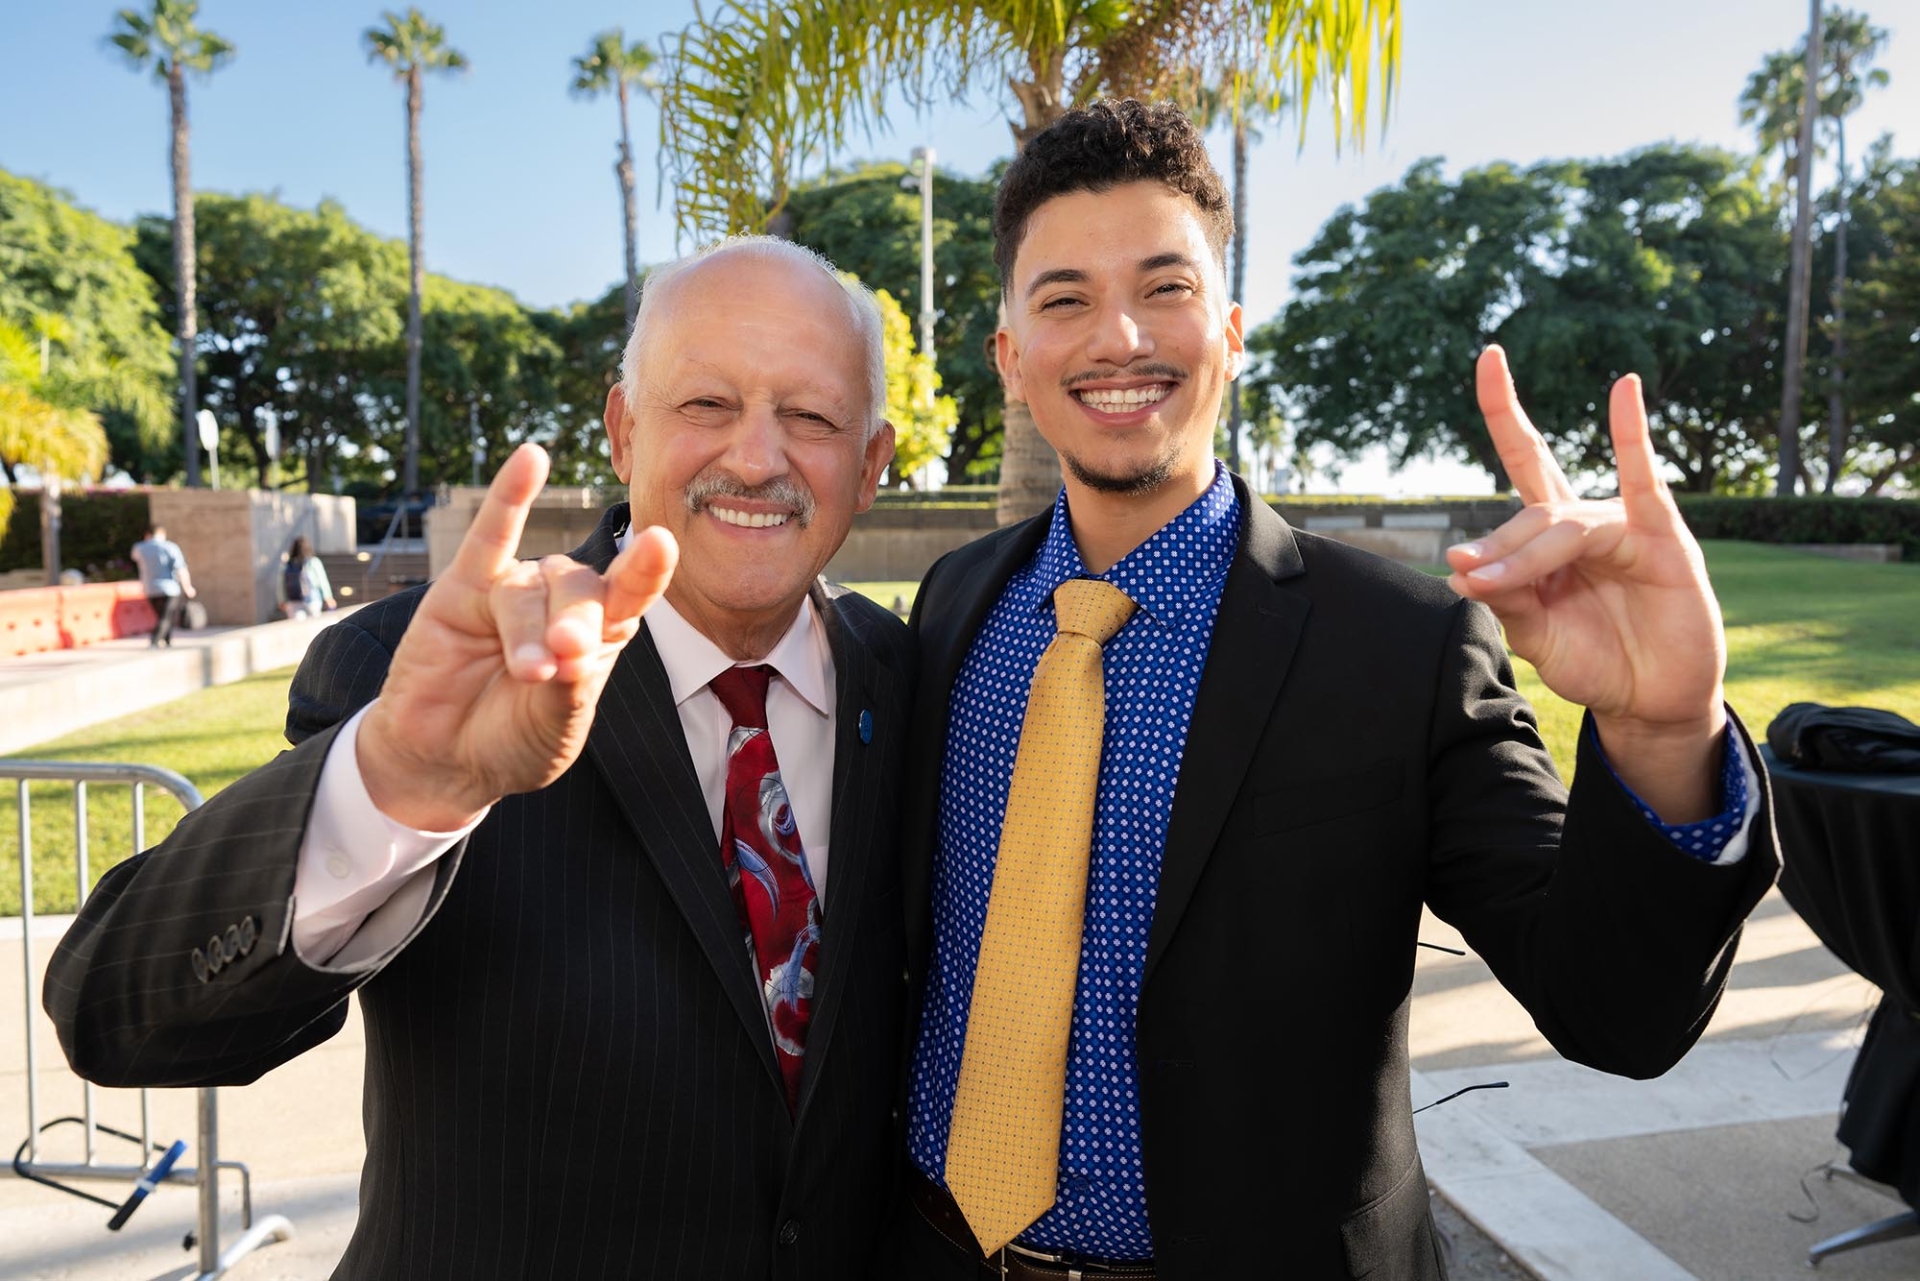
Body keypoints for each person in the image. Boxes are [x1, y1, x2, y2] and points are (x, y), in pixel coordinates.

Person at [891, 100, 1779, 1280]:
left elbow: (1615, 1012)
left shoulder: (1400, 647)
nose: (1117, 336)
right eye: (1063, 299)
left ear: (1232, 331)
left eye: (1166, 288)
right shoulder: (952, 608)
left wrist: (1663, 729)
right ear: (1010, 354)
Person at [47, 238, 910, 1279]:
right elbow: (117, 1014)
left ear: (871, 463)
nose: (759, 458)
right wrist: (400, 787)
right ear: (625, 432)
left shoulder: (907, 680)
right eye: (707, 405)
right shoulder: (422, 674)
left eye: (811, 417)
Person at [129, 522, 195, 647]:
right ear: (162, 534)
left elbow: (136, 558)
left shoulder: (138, 548)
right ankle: (154, 641)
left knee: (162, 616)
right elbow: (181, 568)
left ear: (147, 534)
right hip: (170, 588)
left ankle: (167, 641)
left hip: (149, 588)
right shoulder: (170, 547)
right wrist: (187, 587)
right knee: (165, 617)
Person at [277, 535, 336, 619]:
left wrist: (282, 600)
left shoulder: (288, 564)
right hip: (313, 599)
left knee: (296, 628)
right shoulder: (313, 562)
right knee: (314, 627)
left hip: (293, 601)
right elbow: (322, 580)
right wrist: (328, 597)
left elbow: (280, 584)